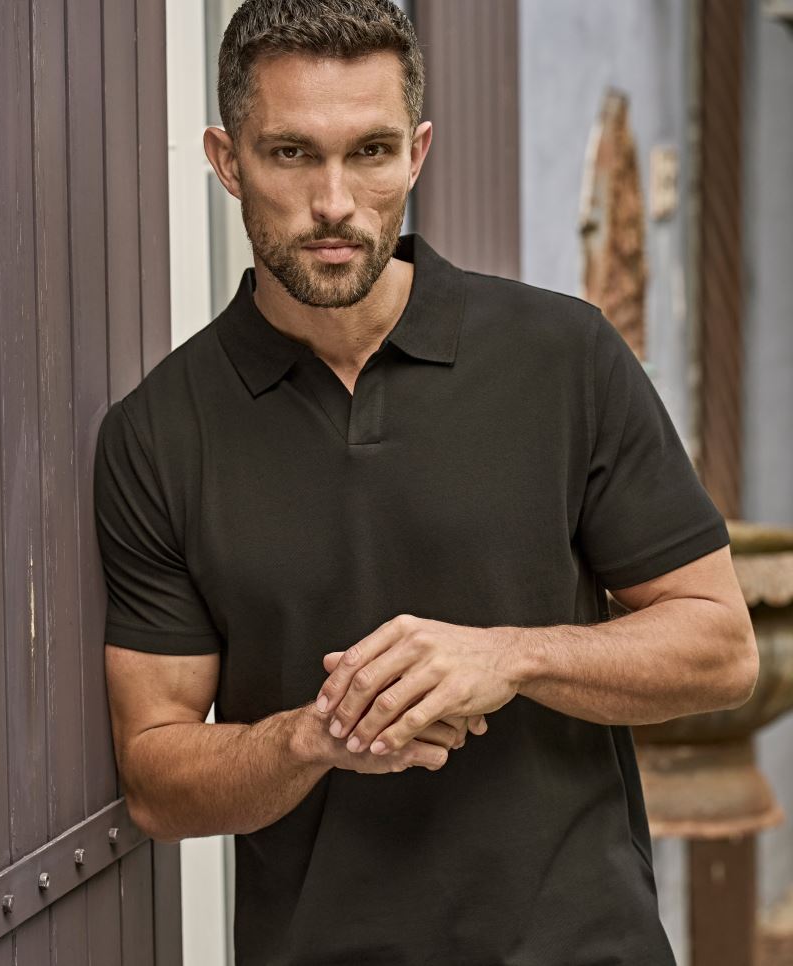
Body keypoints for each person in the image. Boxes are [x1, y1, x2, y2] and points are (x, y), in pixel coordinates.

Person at [93, 1, 759, 963]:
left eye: (370, 151)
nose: (334, 202)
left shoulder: (563, 356)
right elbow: (155, 781)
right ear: (227, 161)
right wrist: (312, 737)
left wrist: (512, 657)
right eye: (291, 154)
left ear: (417, 153)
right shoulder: (156, 434)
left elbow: (722, 649)